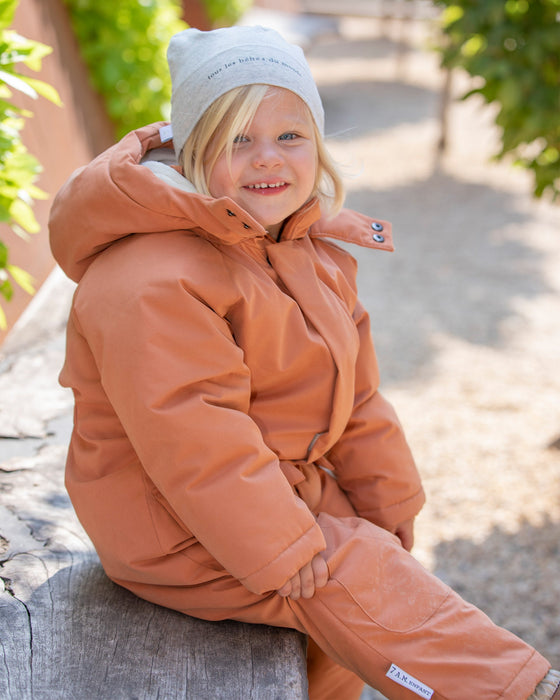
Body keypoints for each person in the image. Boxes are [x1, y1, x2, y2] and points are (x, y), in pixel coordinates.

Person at [49, 25, 559, 700]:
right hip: (174, 522)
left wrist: (387, 496)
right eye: (237, 139)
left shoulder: (301, 247)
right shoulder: (151, 279)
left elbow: (359, 393)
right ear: (193, 149)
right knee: (354, 573)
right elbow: (195, 440)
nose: (268, 159)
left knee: (359, 586)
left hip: (274, 487)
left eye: (291, 136)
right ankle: (523, 691)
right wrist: (278, 546)